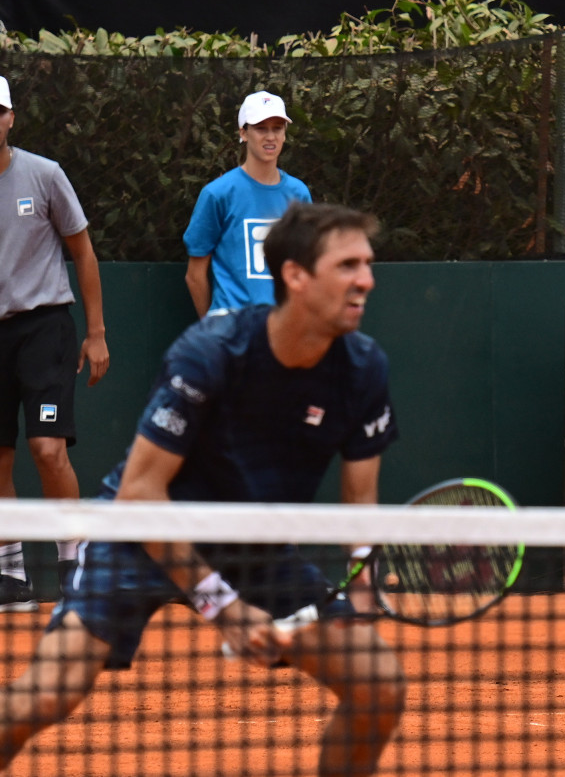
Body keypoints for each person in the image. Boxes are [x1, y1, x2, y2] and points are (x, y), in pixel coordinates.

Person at [0, 203, 406, 776]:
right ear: (295, 275)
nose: (366, 279)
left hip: (256, 550)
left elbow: (360, 505)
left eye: (367, 264)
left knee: (378, 685)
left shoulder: (363, 368)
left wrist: (362, 590)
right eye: (347, 265)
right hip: (140, 539)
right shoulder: (213, 352)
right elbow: (141, 494)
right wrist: (226, 609)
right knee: (46, 694)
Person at [0, 74, 110, 610]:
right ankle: (12, 576)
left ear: (11, 117)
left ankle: (74, 563)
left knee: (47, 450)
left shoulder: (44, 175)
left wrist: (96, 333)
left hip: (44, 328)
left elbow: (83, 251)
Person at [183, 90, 312, 317]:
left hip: (282, 329)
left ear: (285, 134)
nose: (270, 136)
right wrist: (213, 328)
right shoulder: (217, 194)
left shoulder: (299, 193)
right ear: (243, 133)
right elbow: (195, 275)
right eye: (261, 128)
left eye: (277, 128)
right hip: (231, 328)